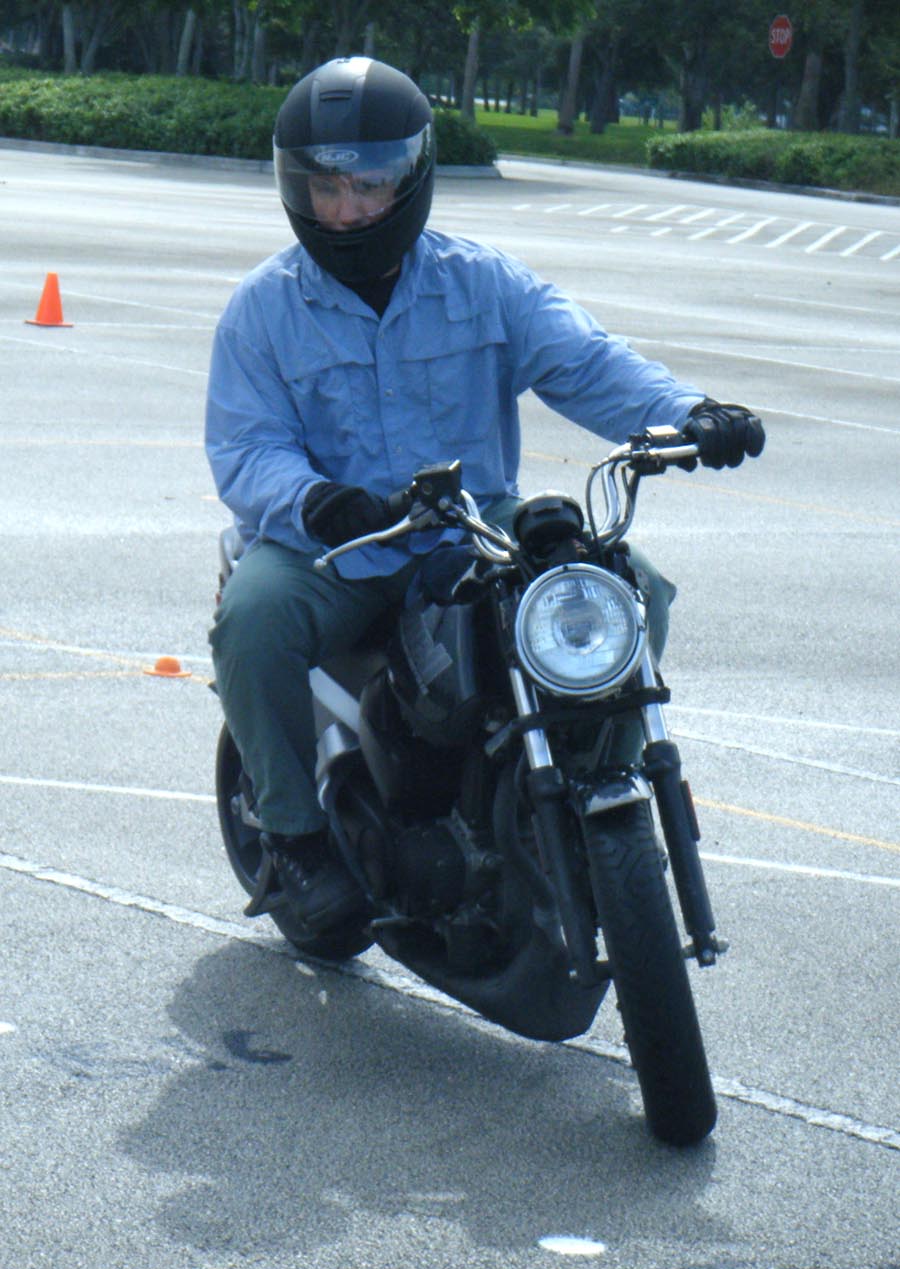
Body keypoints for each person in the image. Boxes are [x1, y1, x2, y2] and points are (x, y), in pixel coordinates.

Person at [206, 56, 764, 935]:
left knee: (632, 587)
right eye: (327, 188)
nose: (347, 210)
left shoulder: (482, 281)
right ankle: (295, 838)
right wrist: (316, 500)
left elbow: (587, 362)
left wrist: (691, 413)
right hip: (333, 545)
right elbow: (246, 448)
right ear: (296, 187)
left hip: (471, 529)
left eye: (370, 184)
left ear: (412, 179)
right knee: (252, 619)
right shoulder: (261, 309)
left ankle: (594, 778)